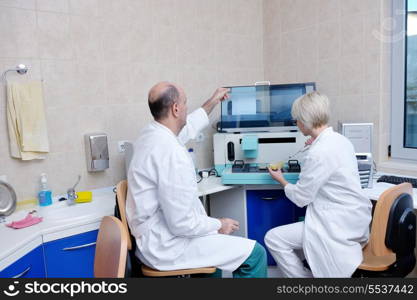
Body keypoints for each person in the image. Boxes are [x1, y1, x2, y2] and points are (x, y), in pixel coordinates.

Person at [126, 82, 267, 278]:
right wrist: (219, 223)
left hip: (153, 238)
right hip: (167, 245)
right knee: (255, 254)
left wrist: (212, 102)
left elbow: (186, 128)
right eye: (185, 103)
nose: (186, 108)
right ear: (176, 109)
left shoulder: (150, 134)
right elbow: (181, 223)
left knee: (214, 252)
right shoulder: (172, 153)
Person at [265, 91, 372, 278]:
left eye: (297, 120)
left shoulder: (320, 152)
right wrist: (314, 144)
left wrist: (281, 180)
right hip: (354, 218)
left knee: (274, 239)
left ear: (305, 121)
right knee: (296, 242)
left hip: (335, 225)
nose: (296, 123)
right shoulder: (340, 140)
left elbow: (301, 198)